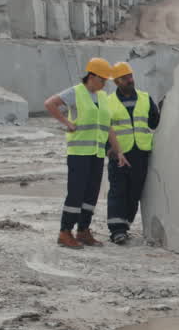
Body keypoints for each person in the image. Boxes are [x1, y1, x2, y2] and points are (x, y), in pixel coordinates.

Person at [43, 57, 130, 249]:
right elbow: (50, 103)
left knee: (91, 194)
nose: (104, 83)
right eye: (102, 80)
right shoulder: (76, 92)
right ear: (91, 76)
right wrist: (67, 122)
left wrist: (119, 152)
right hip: (79, 152)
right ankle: (65, 232)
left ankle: (83, 230)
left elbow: (108, 127)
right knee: (76, 193)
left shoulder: (101, 97)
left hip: (97, 154)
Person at [103, 61, 162, 245]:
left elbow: (154, 123)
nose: (130, 80)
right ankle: (116, 230)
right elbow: (104, 128)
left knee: (135, 192)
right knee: (118, 191)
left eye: (130, 76)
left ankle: (125, 223)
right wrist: (110, 150)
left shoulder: (145, 98)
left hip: (140, 153)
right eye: (125, 78)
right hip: (119, 153)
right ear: (117, 82)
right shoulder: (108, 102)